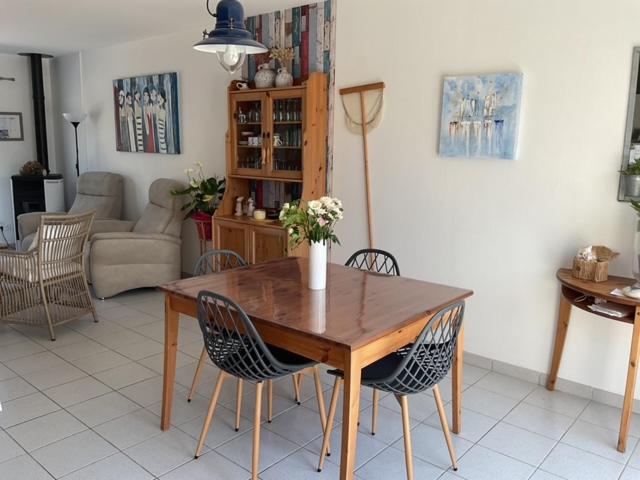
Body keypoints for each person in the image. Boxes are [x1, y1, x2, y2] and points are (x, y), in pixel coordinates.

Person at [142, 86, 156, 153]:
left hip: (153, 131)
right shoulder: (144, 108)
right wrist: (147, 132)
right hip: (147, 133)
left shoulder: (152, 106)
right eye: (144, 95)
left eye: (147, 95)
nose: (145, 97)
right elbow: (145, 122)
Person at [156, 88, 168, 154]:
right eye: (158, 100)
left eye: (161, 99)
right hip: (159, 132)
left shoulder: (163, 110)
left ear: (163, 99)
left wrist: (158, 110)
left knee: (163, 146)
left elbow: (160, 120)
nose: (159, 101)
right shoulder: (159, 109)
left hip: (162, 133)